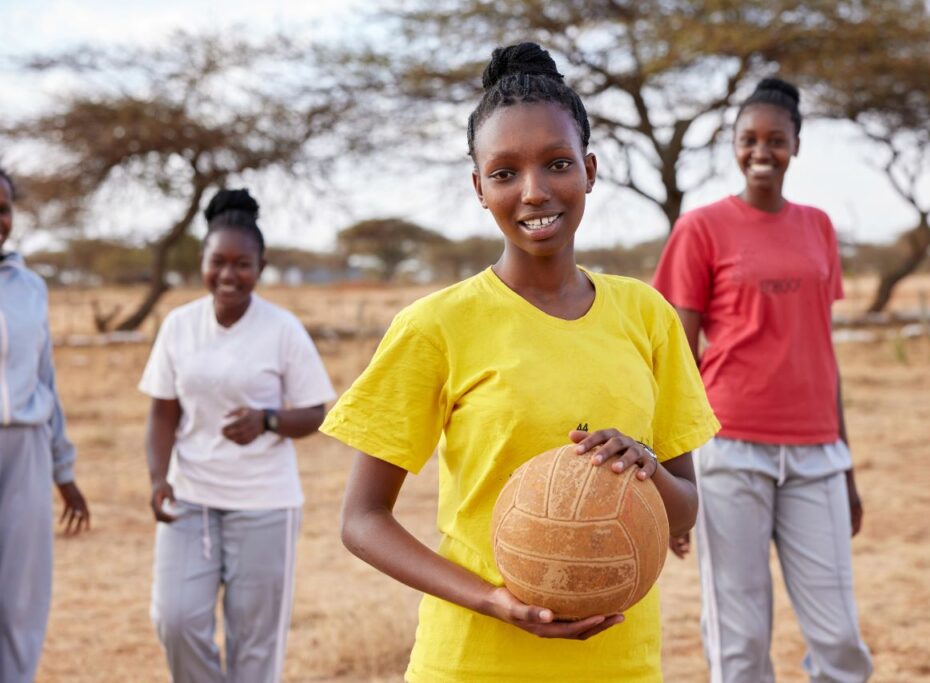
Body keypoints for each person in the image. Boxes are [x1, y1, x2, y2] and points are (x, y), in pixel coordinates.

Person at [321, 43, 719, 683]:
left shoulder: (647, 316)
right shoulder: (436, 326)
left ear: (589, 170)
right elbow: (363, 521)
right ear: (479, 187)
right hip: (475, 660)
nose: (534, 192)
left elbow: (685, 508)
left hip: (621, 665)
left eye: (557, 164)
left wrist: (645, 469)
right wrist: (492, 601)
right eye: (505, 173)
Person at [652, 78, 874, 682]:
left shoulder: (818, 227)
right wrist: (676, 478)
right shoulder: (700, 229)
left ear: (796, 146)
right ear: (733, 145)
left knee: (839, 638)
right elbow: (676, 360)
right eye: (748, 139)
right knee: (739, 637)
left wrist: (847, 467)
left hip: (817, 456)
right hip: (729, 451)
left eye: (776, 140)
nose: (761, 151)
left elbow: (820, 351)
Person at [139, 188, 335, 683]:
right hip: (190, 502)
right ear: (201, 262)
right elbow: (162, 414)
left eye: (242, 264)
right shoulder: (179, 326)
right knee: (176, 621)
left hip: (264, 505)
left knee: (254, 645)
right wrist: (158, 479)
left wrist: (268, 420)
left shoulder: (283, 330)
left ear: (261, 266)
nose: (229, 275)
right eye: (217, 262)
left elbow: (316, 412)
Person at [0, 167, 91, 683]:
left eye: (4, 208)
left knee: (21, 599)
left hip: (27, 452)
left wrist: (63, 469)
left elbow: (45, 381)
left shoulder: (30, 287)